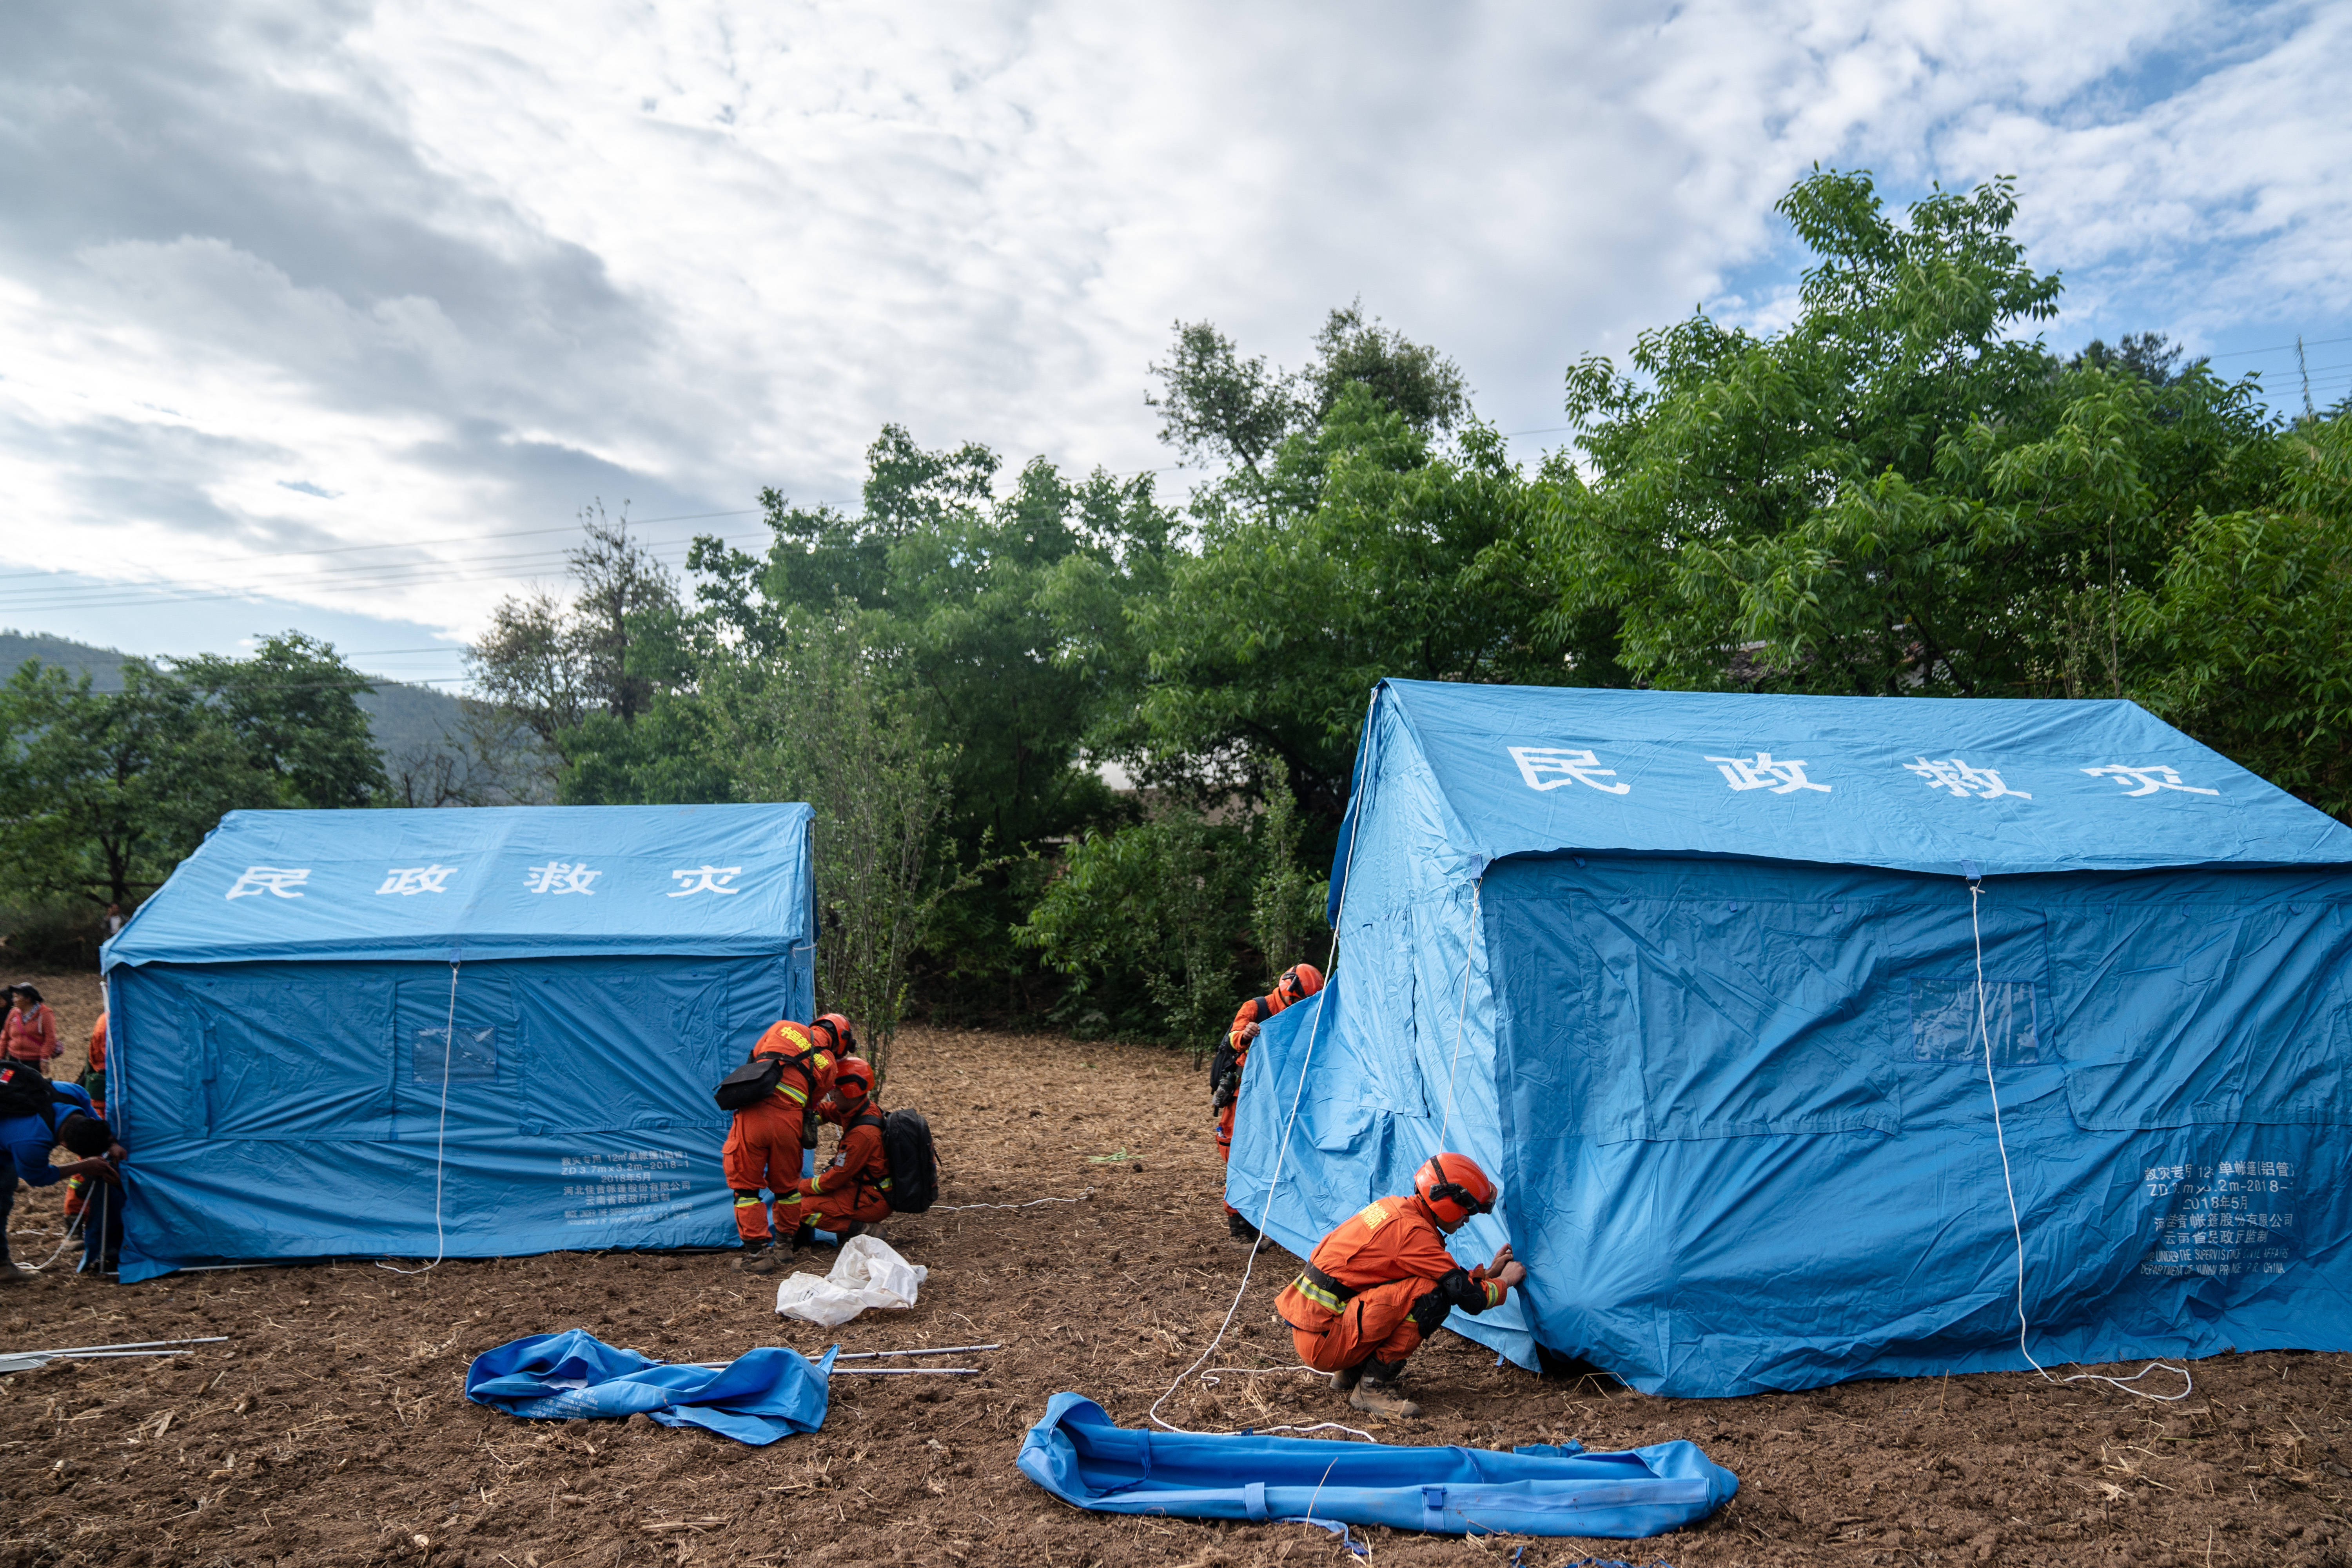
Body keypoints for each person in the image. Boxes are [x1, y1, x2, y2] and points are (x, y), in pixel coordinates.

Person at [1274, 1152, 1527, 1419]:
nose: (1467, 1220)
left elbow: (1444, 1275)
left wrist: (1486, 1274)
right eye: (1468, 1212)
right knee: (1433, 1295)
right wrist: (1505, 1281)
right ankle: (1372, 1388)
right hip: (1326, 1342)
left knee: (1419, 1283)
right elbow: (1470, 1298)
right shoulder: (1413, 1235)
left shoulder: (1396, 1208)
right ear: (1449, 1203)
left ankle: (1352, 1371)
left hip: (1319, 1329)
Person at [724, 1013, 851, 1274]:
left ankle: (758, 1256)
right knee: (788, 1189)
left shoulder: (784, 1028)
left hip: (754, 1117)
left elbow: (754, 1059)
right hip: (789, 1124)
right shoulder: (829, 1064)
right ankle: (784, 1248)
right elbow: (811, 1103)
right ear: (841, 1040)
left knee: (747, 1190)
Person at [1213, 963, 1322, 1239]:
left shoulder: (1306, 1014)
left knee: (1275, 1156)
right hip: (1244, 1095)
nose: (1298, 1007)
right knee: (1239, 1153)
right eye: (1296, 1002)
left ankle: (1267, 1221)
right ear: (1286, 992)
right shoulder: (1257, 1008)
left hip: (1279, 1095)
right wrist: (1245, 1035)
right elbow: (1232, 1038)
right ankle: (1239, 1226)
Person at [0, 1067, 122, 1282]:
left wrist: (111, 1143)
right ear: (64, 1144)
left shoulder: (76, 1093)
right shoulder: (31, 1142)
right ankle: (2, 1267)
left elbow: (96, 1121)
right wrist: (82, 1167)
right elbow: (37, 1178)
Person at [790, 1055, 892, 1247]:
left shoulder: (862, 1135)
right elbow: (828, 1111)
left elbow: (836, 1179)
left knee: (802, 1209)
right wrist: (806, 1121)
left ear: (850, 1091)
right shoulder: (860, 1109)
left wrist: (800, 1186)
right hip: (867, 1190)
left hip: (871, 1200)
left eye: (837, 1089)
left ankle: (863, 1229)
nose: (833, 1094)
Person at [64, 1008, 109, 1220]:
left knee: (92, 1162)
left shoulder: (111, 1018)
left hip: (105, 1099)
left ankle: (80, 1216)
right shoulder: (111, 1021)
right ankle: (77, 1216)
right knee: (90, 1162)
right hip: (103, 1101)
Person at [4, 984, 59, 1074]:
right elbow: (5, 1036)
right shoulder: (13, 1013)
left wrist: (44, 1059)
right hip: (13, 1060)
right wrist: (1, 1058)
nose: (13, 1000)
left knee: (30, 1087)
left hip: (34, 1063)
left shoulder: (45, 1014)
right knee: (7, 1084)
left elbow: (50, 1038)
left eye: (16, 997)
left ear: (28, 999)